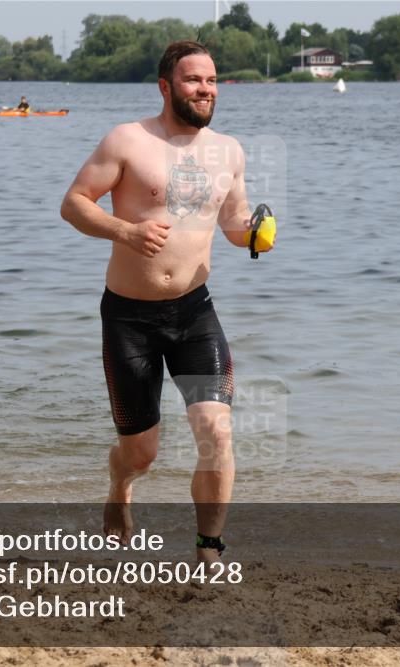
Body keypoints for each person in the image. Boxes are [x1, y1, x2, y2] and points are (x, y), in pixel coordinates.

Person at [60, 41, 271, 564]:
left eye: (212, 80)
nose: (205, 90)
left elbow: (230, 222)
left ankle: (209, 550)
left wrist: (253, 231)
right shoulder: (128, 140)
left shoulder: (229, 151)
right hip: (129, 316)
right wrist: (127, 231)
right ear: (166, 86)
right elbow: (74, 204)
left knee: (216, 431)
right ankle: (120, 487)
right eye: (194, 80)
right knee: (142, 453)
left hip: (194, 311)